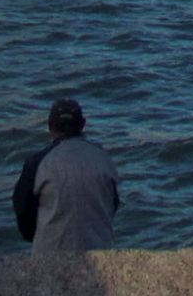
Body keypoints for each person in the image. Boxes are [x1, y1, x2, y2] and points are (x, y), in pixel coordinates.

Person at [13, 97, 121, 252]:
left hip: (51, 252)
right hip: (99, 251)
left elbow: (23, 210)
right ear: (83, 124)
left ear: (50, 126)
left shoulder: (38, 162)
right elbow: (112, 204)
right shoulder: (103, 157)